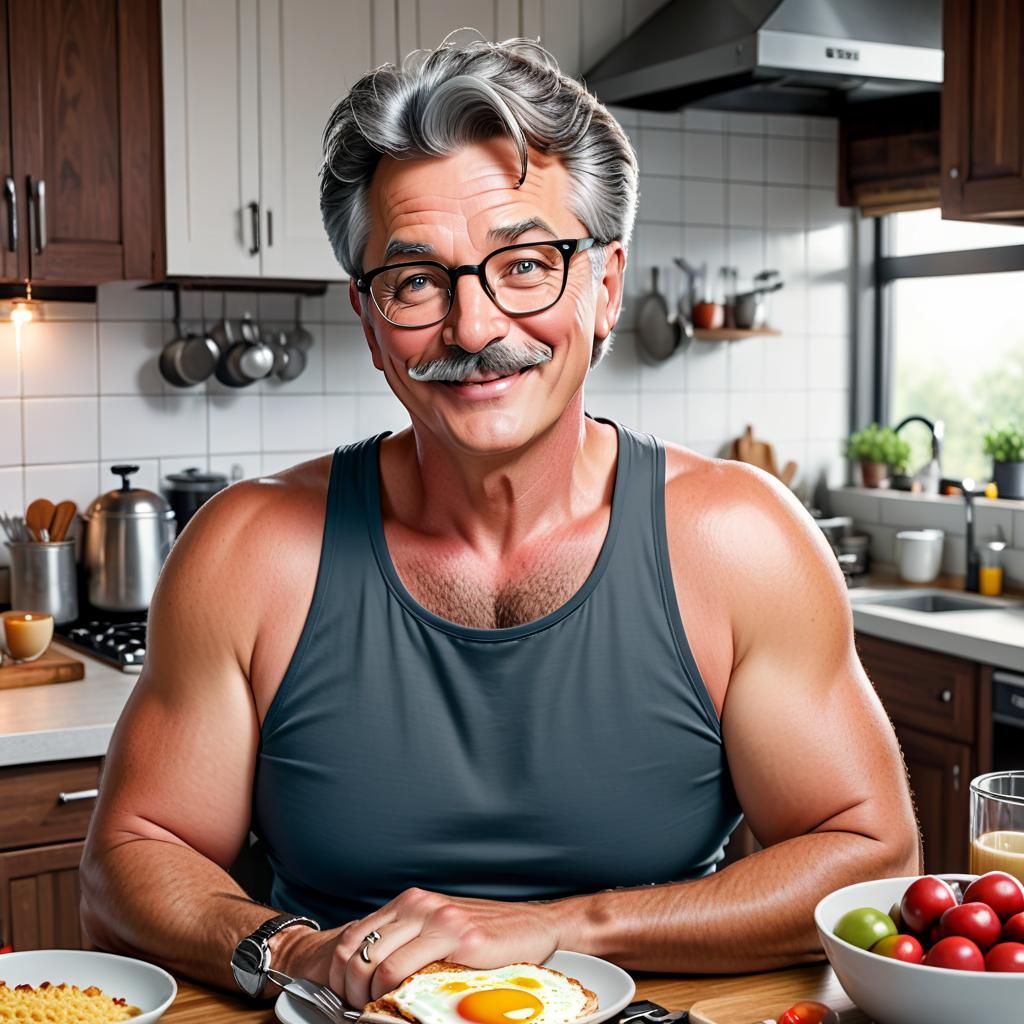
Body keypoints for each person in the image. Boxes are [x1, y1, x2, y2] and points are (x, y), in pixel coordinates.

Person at [80, 35, 918, 1007]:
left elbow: (871, 852)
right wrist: (292, 950)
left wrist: (566, 925)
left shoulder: (740, 541)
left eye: (524, 265)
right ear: (370, 322)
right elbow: (128, 859)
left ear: (605, 289)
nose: (473, 327)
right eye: (416, 281)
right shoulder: (248, 550)